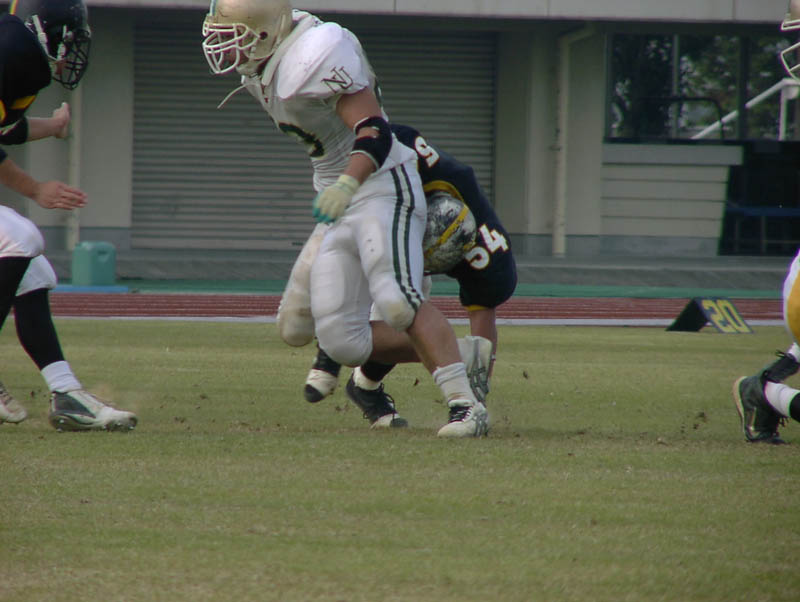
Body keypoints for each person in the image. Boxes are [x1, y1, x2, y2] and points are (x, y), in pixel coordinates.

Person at [202, 0, 488, 437]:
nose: (226, 49)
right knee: (341, 339)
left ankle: (465, 406)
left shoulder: (315, 53)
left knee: (397, 300)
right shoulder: (267, 64)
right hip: (339, 197)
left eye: (234, 37)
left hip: (380, 183)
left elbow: (375, 130)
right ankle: (464, 353)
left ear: (264, 34)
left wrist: (347, 184)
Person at [301, 124, 517, 428]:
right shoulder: (406, 163)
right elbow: (375, 135)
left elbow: (483, 337)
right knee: (384, 290)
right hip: (377, 215)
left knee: (405, 308)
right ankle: (332, 351)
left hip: (420, 226)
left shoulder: (487, 258)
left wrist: (477, 391)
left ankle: (363, 383)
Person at [0, 0, 137, 431]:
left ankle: (66, 394)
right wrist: (35, 188)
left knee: (34, 273)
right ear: (43, 29)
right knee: (21, 238)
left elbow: (6, 129)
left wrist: (53, 126)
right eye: (67, 36)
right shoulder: (14, 51)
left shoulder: (15, 52)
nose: (71, 49)